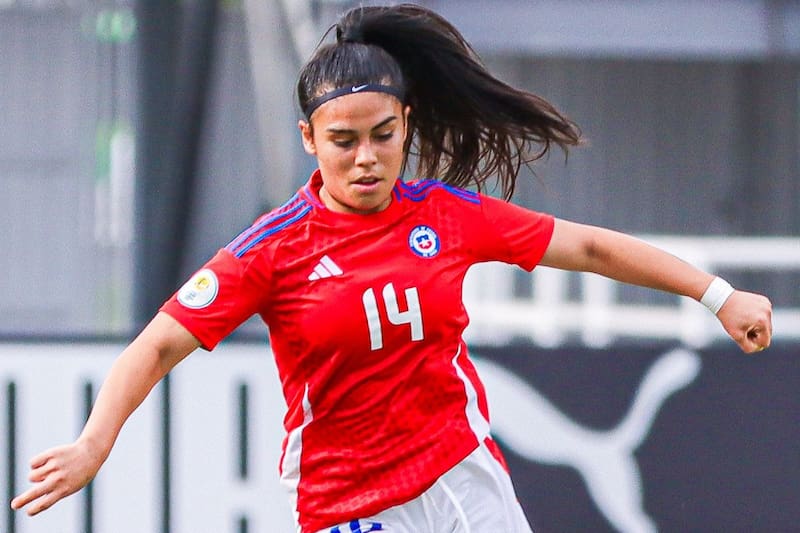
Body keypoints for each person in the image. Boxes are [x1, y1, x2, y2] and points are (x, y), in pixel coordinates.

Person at [11, 4, 773, 532]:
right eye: (343, 141)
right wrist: (93, 442)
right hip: (350, 504)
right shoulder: (270, 250)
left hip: (461, 473)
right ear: (309, 139)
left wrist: (716, 293)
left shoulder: (444, 216)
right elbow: (155, 345)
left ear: (406, 121)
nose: (367, 157)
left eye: (383, 133)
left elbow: (590, 248)